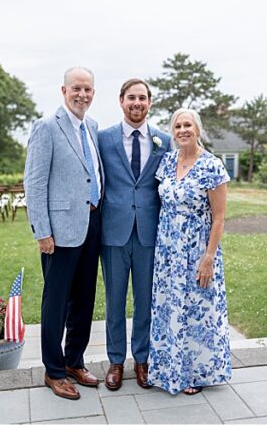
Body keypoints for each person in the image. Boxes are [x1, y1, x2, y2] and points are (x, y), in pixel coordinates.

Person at [23, 66, 103, 400]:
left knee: (84, 299)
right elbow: (34, 181)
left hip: (92, 223)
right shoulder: (46, 127)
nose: (82, 95)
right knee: (56, 302)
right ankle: (54, 371)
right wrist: (42, 231)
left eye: (87, 89)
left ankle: (74, 362)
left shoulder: (92, 127)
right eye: (76, 89)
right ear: (64, 90)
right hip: (58, 230)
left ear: (93, 94)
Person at [147, 108, 231, 395]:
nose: (183, 130)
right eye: (178, 125)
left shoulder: (212, 165)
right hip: (168, 251)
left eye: (188, 125)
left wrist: (208, 258)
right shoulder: (168, 162)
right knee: (170, 307)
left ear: (197, 130)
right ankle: (168, 368)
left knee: (196, 311)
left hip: (197, 251)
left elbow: (219, 217)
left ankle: (195, 374)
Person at [97, 79, 171, 391]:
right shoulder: (102, 138)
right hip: (113, 231)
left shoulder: (163, 140)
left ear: (150, 102)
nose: (136, 103)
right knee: (114, 301)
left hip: (149, 234)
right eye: (131, 97)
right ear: (121, 100)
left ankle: (142, 359)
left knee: (145, 300)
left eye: (142, 97)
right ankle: (116, 360)